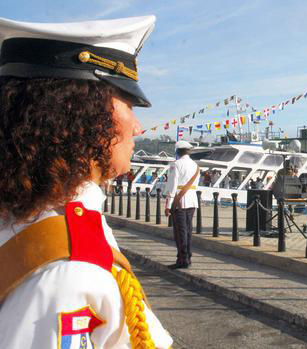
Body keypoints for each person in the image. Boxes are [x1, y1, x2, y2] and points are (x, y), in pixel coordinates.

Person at [0, 16, 173, 348]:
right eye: (129, 103)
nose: (138, 127)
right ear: (80, 112)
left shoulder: (27, 214)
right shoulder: (68, 269)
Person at [164, 140, 200, 269]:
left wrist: (168, 204)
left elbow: (172, 186)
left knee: (180, 232)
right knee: (188, 230)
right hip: (192, 200)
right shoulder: (196, 165)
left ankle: (182, 259)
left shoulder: (176, 164)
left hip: (179, 200)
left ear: (177, 151)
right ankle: (188, 257)